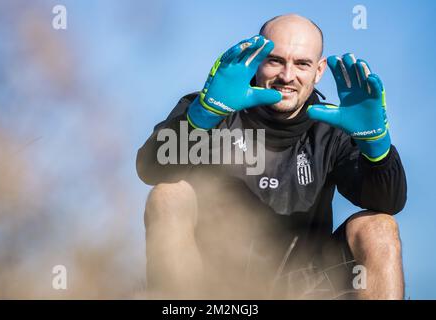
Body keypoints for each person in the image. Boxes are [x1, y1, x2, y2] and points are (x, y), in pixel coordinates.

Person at [136, 14, 407, 299]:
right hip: (215, 284)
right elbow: (151, 170)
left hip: (309, 284)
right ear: (257, 60)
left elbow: (387, 201)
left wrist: (375, 145)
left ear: (319, 70)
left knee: (379, 227)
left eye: (302, 63)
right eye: (275, 60)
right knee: (168, 194)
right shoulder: (212, 106)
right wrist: (203, 115)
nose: (287, 76)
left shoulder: (337, 129)